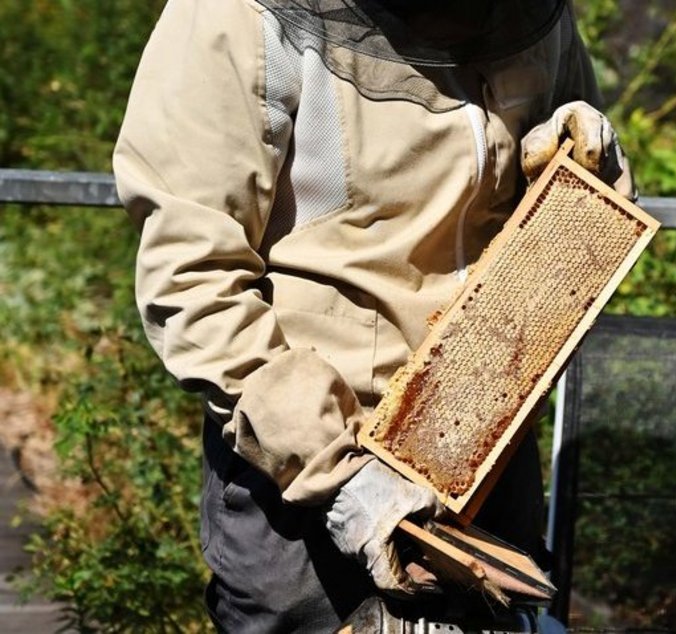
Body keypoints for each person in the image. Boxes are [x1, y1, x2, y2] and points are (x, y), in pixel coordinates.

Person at [113, 0, 635, 631]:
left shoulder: (531, 14)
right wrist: (338, 475)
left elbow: (551, 207)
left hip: (487, 450)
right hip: (305, 472)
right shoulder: (234, 16)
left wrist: (569, 167)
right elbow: (192, 277)